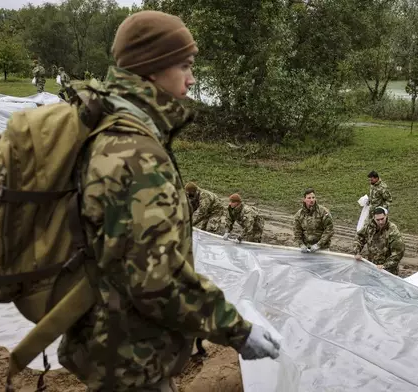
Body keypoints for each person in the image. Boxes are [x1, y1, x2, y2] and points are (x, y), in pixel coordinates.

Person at [58, 11, 280, 392]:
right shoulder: (136, 154)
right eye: (185, 66)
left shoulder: (106, 128)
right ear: (153, 68)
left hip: (108, 338)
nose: (192, 79)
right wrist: (237, 331)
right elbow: (156, 279)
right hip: (133, 360)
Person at [353, 207, 405, 275]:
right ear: (374, 218)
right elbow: (359, 237)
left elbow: (398, 252)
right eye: (378, 220)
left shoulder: (392, 230)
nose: (380, 222)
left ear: (386, 216)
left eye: (382, 219)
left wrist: (385, 266)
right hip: (372, 267)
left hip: (388, 271)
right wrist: (357, 252)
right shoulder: (369, 227)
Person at [293, 188, 334, 253]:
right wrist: (301, 244)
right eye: (309, 198)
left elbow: (329, 230)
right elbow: (297, 231)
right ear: (304, 199)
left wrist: (318, 245)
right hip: (306, 249)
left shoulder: (323, 212)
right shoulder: (299, 214)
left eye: (313, 197)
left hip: (322, 249)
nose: (311, 200)